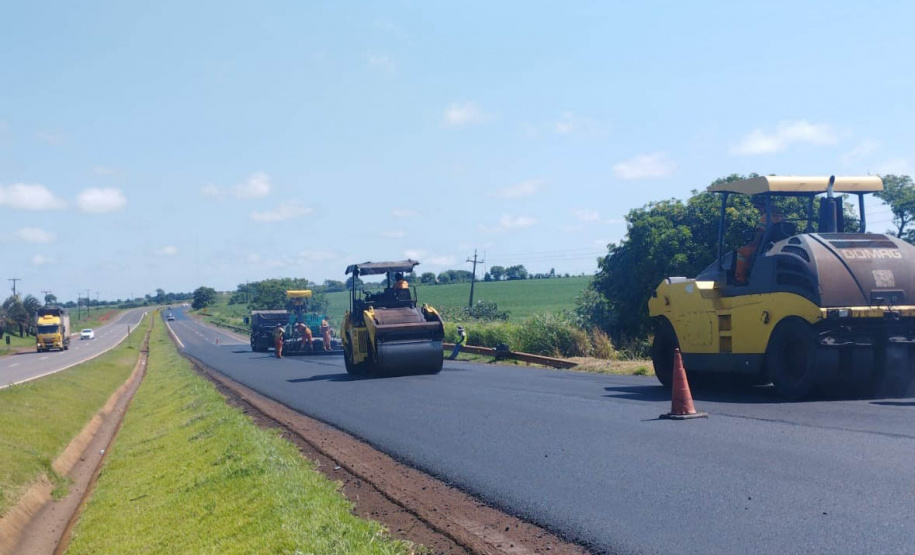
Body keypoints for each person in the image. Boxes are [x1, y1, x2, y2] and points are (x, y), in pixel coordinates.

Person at [735, 196, 783, 284]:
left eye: (758, 207)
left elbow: (760, 233)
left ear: (763, 206)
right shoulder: (780, 216)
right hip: (778, 245)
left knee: (741, 252)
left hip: (766, 246)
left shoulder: (766, 216)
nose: (758, 210)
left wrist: (753, 243)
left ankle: (741, 279)